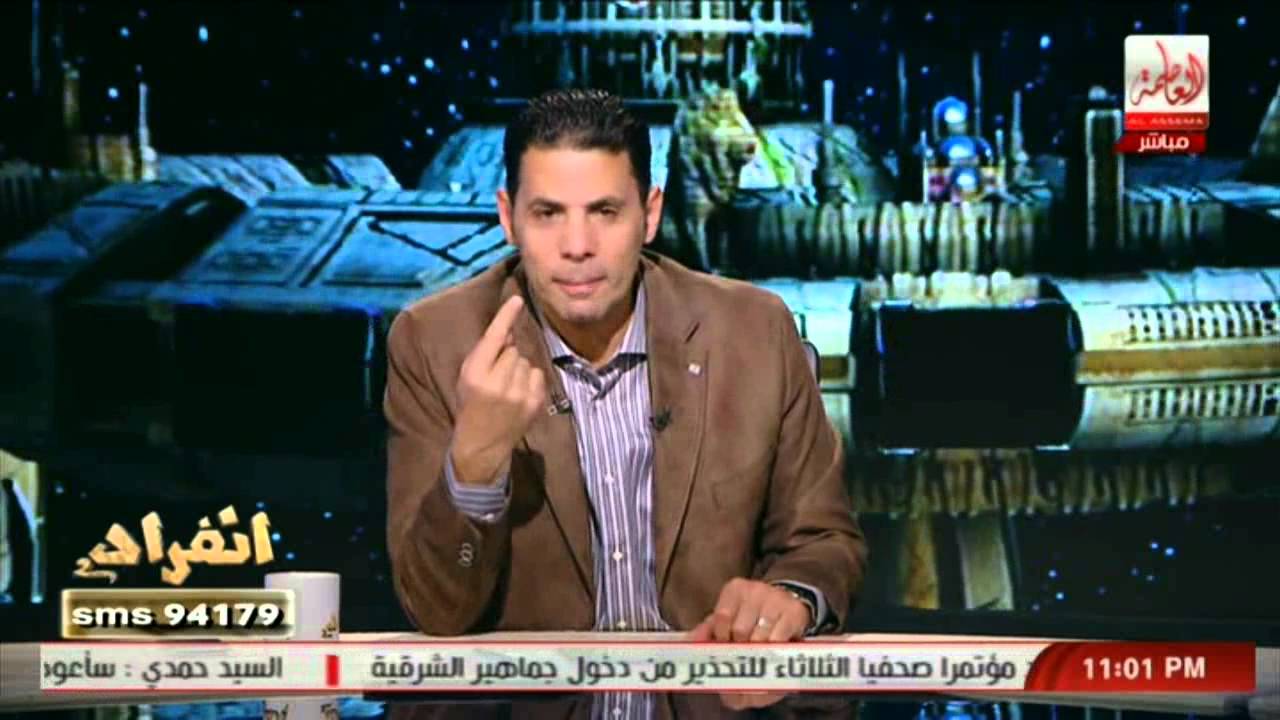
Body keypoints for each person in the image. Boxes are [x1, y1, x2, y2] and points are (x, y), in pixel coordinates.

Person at [384, 88, 867, 641]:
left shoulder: (753, 333)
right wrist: (474, 466)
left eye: (605, 212)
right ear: (508, 219)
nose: (577, 246)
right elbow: (437, 611)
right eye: (547, 214)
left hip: (710, 685)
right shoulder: (436, 344)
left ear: (650, 214)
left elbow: (823, 543)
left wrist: (791, 597)